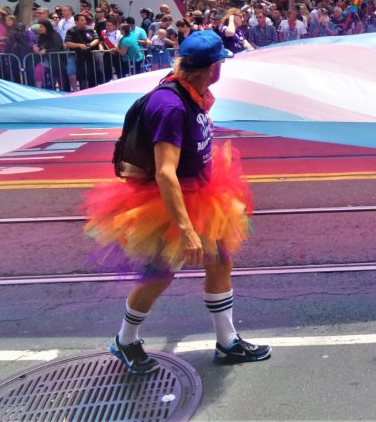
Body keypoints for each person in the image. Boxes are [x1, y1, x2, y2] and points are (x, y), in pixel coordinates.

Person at [83, 30, 271, 375]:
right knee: (159, 274)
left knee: (219, 260)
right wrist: (185, 230)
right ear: (212, 68)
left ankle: (227, 342)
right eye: (220, 64)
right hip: (172, 203)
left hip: (204, 192)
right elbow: (165, 173)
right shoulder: (169, 105)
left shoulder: (191, 89)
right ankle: (125, 340)